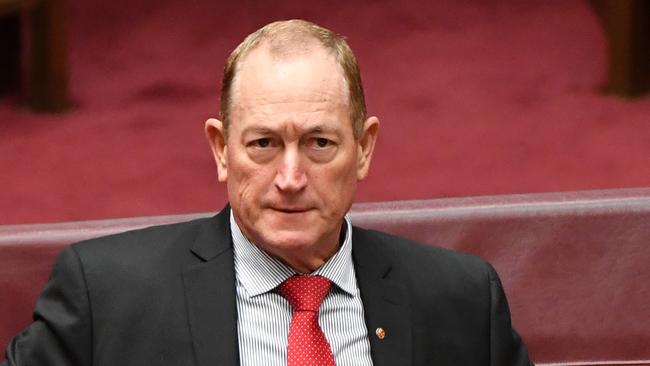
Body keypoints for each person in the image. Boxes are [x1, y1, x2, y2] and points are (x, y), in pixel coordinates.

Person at [2, 19, 532, 366]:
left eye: (320, 143)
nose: (291, 176)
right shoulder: (106, 297)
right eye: (263, 144)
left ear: (364, 148)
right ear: (220, 149)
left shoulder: (460, 301)